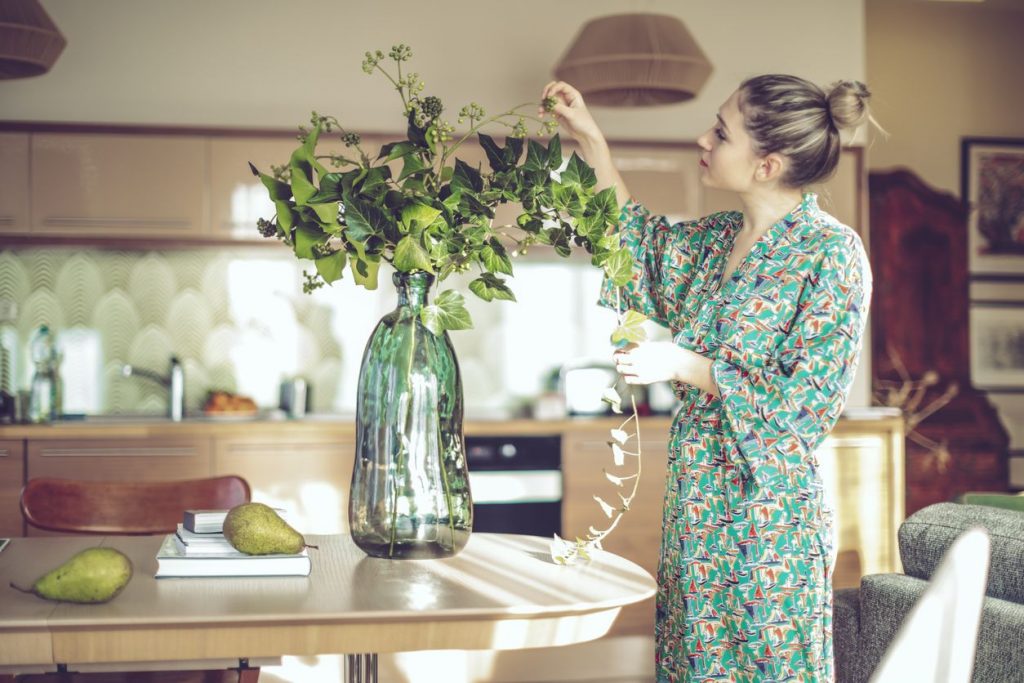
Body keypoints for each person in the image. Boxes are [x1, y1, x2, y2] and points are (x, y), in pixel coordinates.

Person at [541, 75, 876, 681]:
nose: (703, 137)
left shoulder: (833, 255)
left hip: (767, 525)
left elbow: (806, 410)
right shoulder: (717, 240)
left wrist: (684, 365)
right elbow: (638, 245)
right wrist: (591, 141)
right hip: (695, 511)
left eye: (721, 132)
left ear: (767, 164)